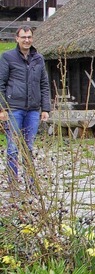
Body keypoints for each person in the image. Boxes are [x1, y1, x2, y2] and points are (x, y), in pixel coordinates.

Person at [0, 25, 51, 180]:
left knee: (28, 148)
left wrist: (45, 108)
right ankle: (13, 183)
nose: (27, 40)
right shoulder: (7, 57)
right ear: (17, 38)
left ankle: (30, 182)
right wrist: (2, 109)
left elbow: (44, 84)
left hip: (33, 110)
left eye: (29, 37)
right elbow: (0, 83)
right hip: (14, 108)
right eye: (23, 37)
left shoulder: (38, 58)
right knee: (13, 148)